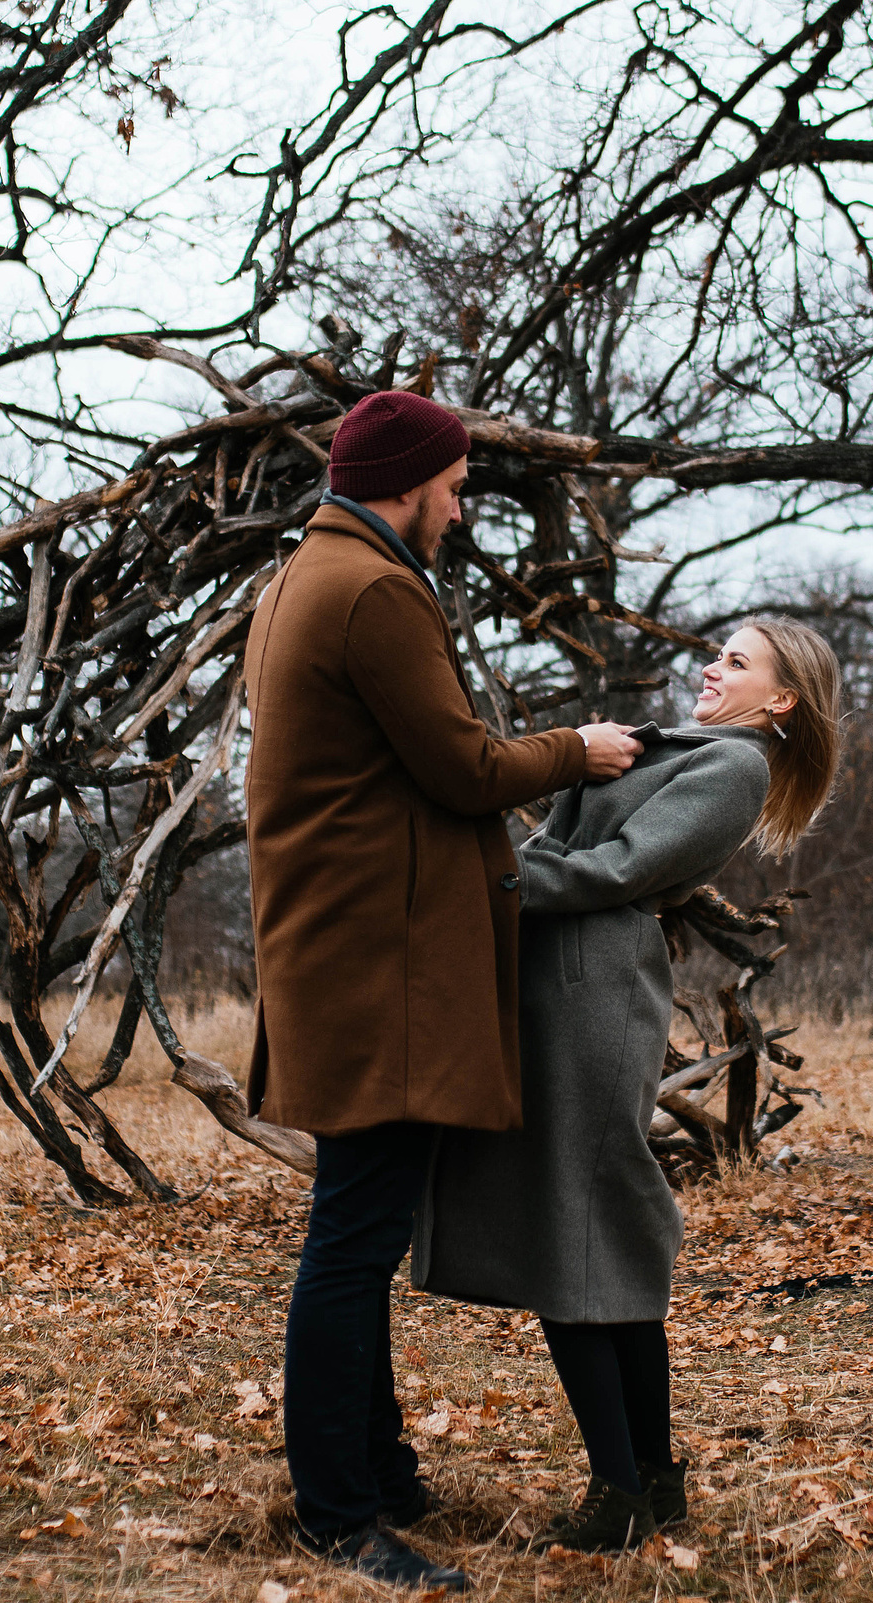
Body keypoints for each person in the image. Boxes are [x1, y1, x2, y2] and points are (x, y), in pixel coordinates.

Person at [242, 388, 647, 1591]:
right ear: (410, 482)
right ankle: (337, 1514)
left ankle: (381, 1471)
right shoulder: (372, 588)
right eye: (456, 488)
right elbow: (464, 767)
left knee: (355, 1225)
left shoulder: (310, 576)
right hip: (378, 968)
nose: (461, 511)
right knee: (352, 1240)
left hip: (351, 954)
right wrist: (580, 750)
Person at [414, 616, 843, 1552]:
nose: (711, 666)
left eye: (737, 662)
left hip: (593, 995)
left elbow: (623, 868)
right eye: (718, 652)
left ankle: (618, 1492)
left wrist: (491, 879)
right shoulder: (685, 744)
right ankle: (652, 1479)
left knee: (576, 1233)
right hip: (559, 984)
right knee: (583, 1229)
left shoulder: (736, 765)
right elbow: (581, 844)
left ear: (780, 701)